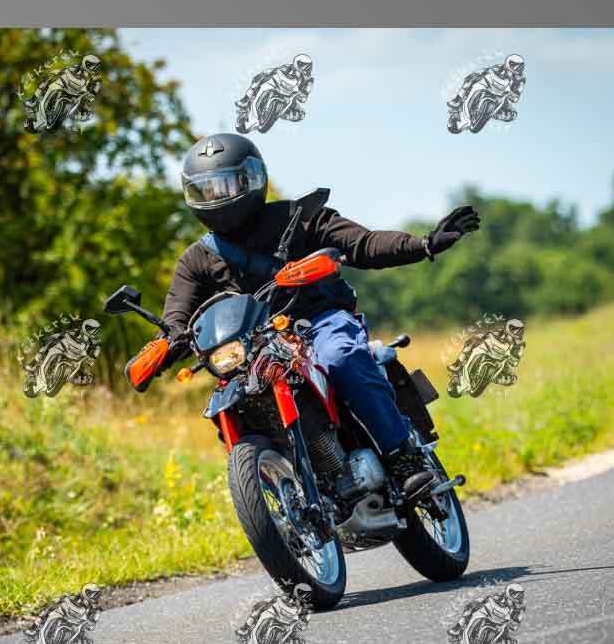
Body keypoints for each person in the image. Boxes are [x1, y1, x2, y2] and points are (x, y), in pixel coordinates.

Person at [160, 133, 480, 500]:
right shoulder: (196, 259)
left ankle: (403, 457)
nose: (218, 197)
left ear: (253, 179)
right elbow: (177, 316)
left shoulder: (298, 218)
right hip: (253, 348)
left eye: (227, 185)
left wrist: (422, 244)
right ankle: (281, 492)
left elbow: (362, 244)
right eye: (207, 189)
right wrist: (167, 342)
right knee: (229, 398)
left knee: (339, 355)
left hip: (319, 323)